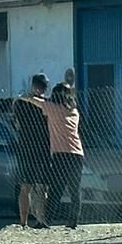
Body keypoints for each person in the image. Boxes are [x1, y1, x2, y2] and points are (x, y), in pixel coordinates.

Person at [12, 73, 52, 228]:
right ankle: (41, 219)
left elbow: (16, 124)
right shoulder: (46, 104)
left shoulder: (19, 103)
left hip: (25, 147)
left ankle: (23, 222)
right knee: (41, 186)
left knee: (25, 186)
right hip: (42, 147)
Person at [45, 83, 85, 229]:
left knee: (56, 188)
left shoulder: (52, 108)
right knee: (75, 189)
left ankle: (48, 219)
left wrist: (27, 97)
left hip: (60, 153)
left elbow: (38, 102)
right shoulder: (74, 111)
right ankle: (73, 220)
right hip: (76, 153)